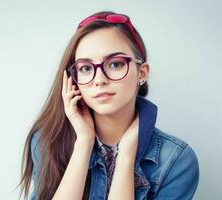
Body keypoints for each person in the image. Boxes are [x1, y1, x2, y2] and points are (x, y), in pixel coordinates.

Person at [18, 11, 199, 200]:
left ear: (142, 73)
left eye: (115, 64)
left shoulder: (176, 160)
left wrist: (126, 156)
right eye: (86, 68)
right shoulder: (46, 140)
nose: (99, 79)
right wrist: (84, 142)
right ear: (73, 79)